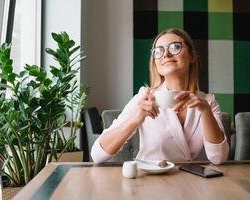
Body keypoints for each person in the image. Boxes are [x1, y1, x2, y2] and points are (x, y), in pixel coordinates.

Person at [91, 28, 229, 164]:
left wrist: (205, 112)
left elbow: (218, 158)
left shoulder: (208, 103)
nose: (166, 55)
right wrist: (135, 119)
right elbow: (97, 154)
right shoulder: (144, 98)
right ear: (155, 63)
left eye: (175, 47)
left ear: (192, 56)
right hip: (150, 181)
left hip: (191, 182)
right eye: (158, 51)